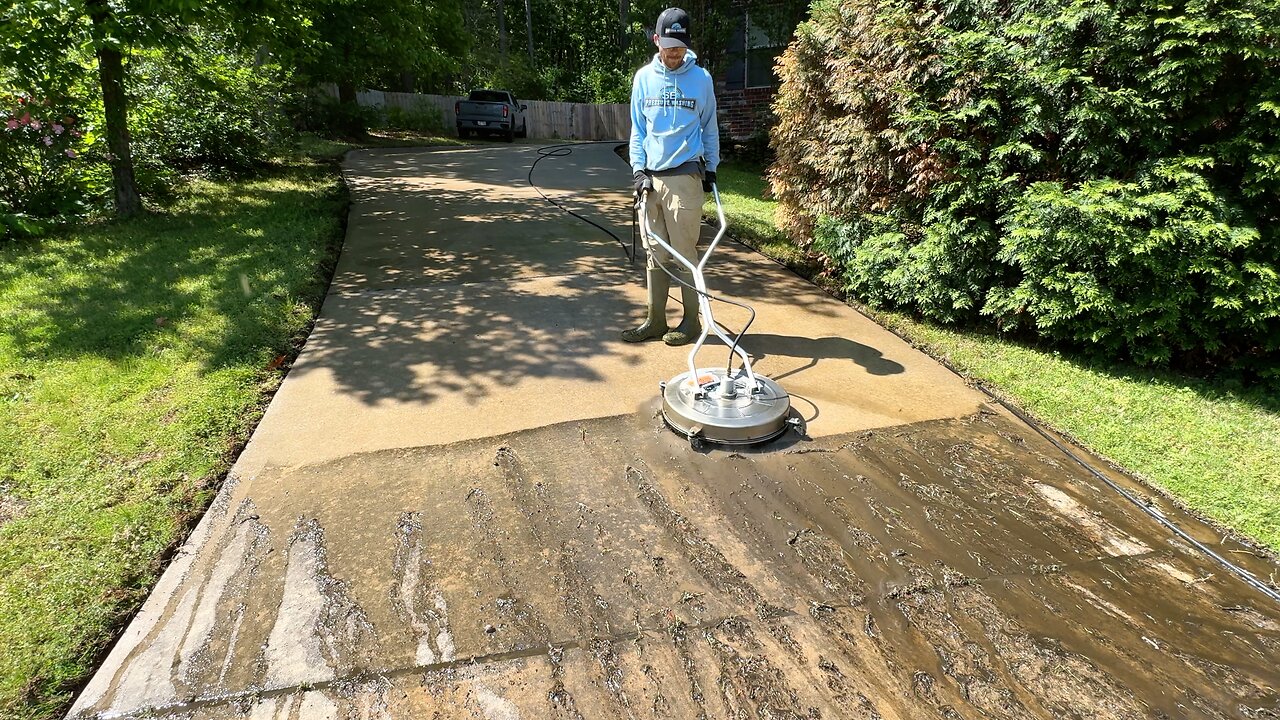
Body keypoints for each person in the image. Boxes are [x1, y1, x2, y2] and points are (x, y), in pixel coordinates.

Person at [622, 7, 720, 346]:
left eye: (679, 45)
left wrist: (711, 168)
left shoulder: (701, 79)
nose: (674, 52)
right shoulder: (643, 78)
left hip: (685, 177)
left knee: (684, 251)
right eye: (668, 45)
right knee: (654, 251)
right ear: (656, 40)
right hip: (651, 179)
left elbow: (709, 127)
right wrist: (638, 170)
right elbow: (637, 129)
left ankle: (691, 321)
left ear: (686, 44)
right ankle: (655, 320)